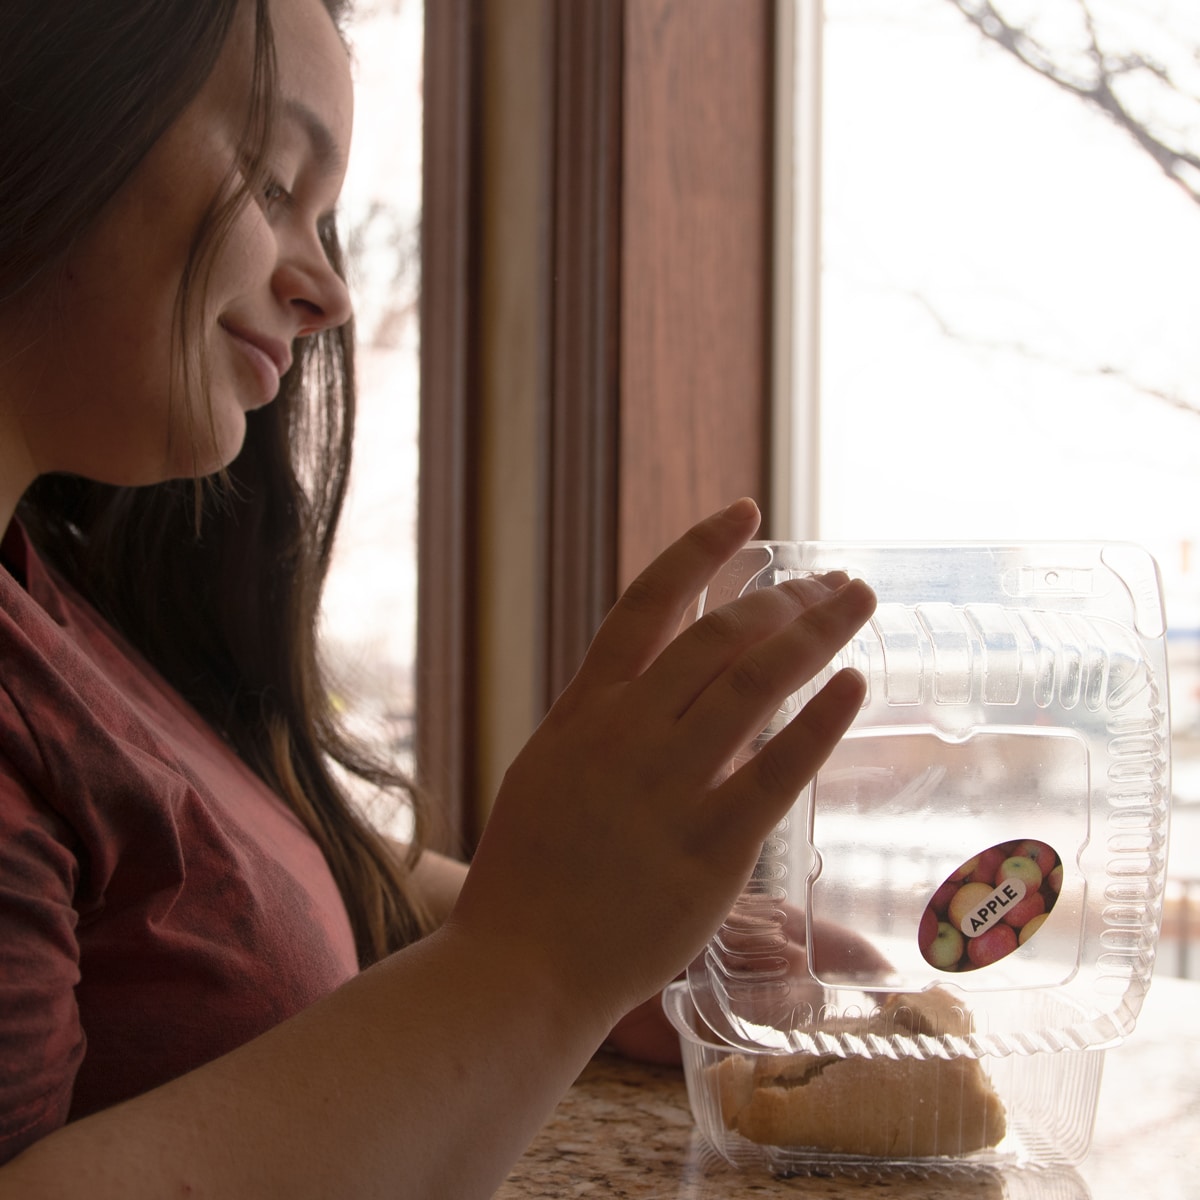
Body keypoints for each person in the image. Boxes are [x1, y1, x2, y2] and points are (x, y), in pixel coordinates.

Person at [0, 0, 878, 1194]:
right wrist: (538, 960)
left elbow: (226, 865)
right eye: (274, 184)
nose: (330, 294)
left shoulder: (52, 593)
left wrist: (636, 941)